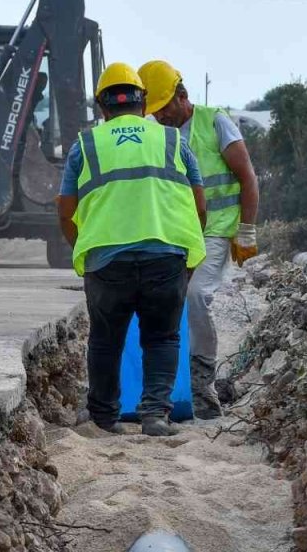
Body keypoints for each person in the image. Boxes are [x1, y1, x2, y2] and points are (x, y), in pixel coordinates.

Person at [57, 62, 207, 437]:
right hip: (166, 257)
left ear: (102, 108)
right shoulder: (175, 142)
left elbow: (65, 209)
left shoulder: (85, 145)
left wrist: (85, 250)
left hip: (107, 262)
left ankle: (104, 418)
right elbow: (199, 206)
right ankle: (155, 415)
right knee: (162, 337)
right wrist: (185, 257)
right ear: (143, 104)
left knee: (106, 341)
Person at [139, 60, 260, 420]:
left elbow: (248, 177)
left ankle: (202, 384)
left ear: (182, 96)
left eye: (163, 108)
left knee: (195, 296)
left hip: (216, 230)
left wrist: (247, 229)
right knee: (168, 301)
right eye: (153, 111)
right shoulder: (158, 134)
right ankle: (170, 383)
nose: (159, 117)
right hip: (178, 234)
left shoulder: (215, 122)